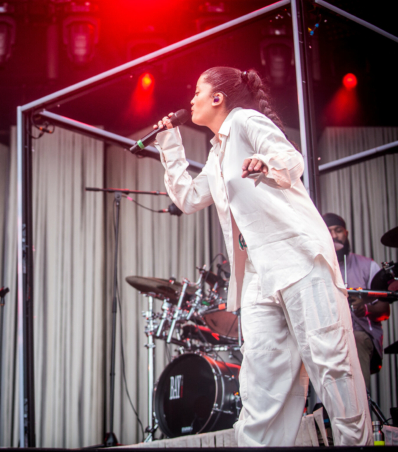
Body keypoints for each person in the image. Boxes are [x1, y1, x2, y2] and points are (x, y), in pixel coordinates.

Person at [152, 66, 370, 446]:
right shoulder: (217, 152)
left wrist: (266, 164)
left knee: (332, 367)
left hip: (299, 260)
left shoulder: (246, 121)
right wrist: (170, 143)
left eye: (198, 92)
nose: (191, 100)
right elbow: (187, 198)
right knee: (261, 387)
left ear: (217, 99)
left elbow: (291, 160)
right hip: (256, 276)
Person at [323, 212, 390, 389]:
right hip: (328, 337)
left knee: (356, 339)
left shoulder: (367, 265)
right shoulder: (317, 270)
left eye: (338, 231)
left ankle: (360, 408)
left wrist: (366, 309)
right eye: (328, 231)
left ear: (346, 233)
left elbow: (385, 310)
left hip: (361, 335)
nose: (334, 236)